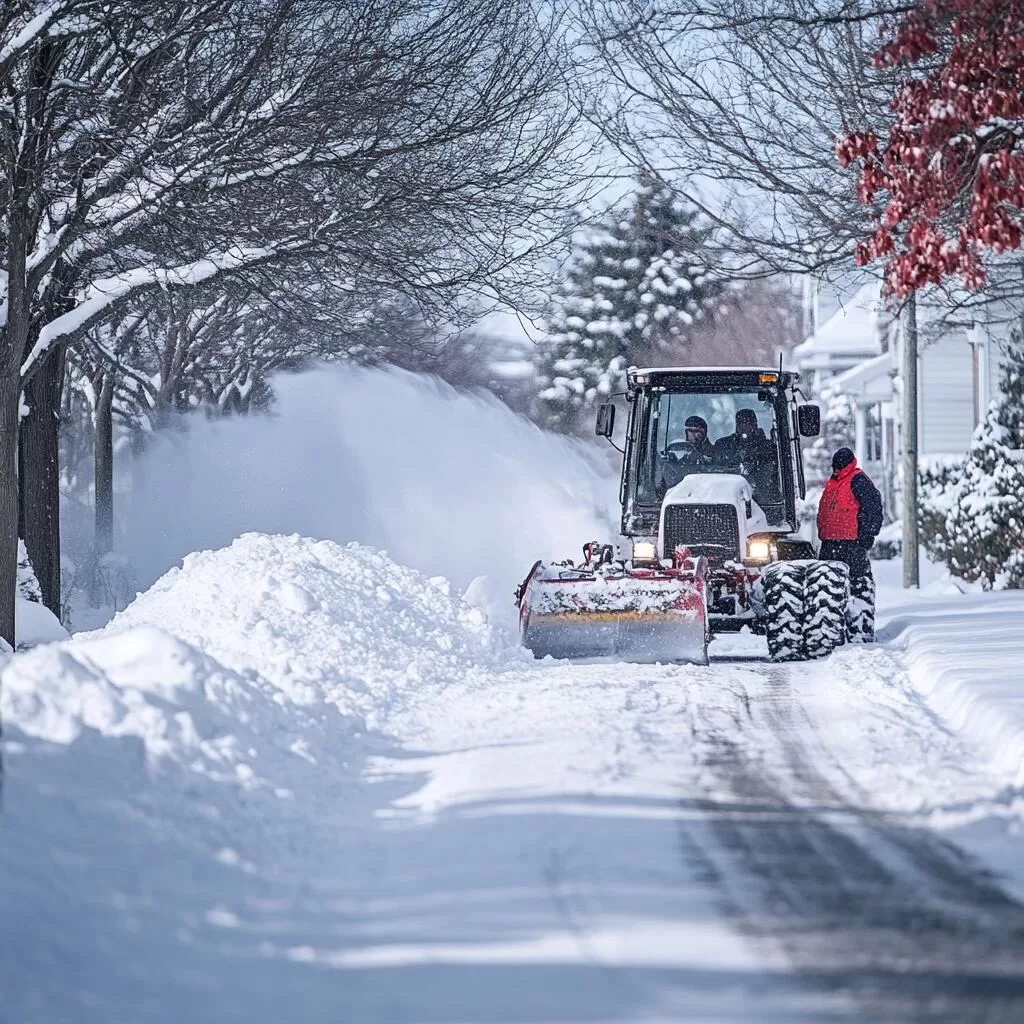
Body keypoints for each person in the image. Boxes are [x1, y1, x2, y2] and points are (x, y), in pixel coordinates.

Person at [817, 446, 883, 642]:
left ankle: (860, 633)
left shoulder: (858, 479)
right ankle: (829, 632)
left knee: (858, 584)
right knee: (826, 589)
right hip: (829, 543)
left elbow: (873, 506)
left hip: (852, 544)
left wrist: (867, 535)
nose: (835, 467)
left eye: (838, 464)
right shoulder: (833, 482)